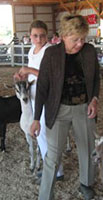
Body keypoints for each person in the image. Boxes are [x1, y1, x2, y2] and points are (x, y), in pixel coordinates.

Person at [30, 14, 100, 200]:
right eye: (75, 39)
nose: (80, 43)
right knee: (52, 155)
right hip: (58, 110)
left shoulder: (89, 52)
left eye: (83, 39)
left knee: (86, 148)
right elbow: (43, 87)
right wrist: (36, 118)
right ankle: (45, 195)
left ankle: (86, 183)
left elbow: (96, 79)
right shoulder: (52, 54)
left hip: (84, 108)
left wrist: (94, 99)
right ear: (63, 36)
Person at [14, 20, 64, 181]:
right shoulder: (32, 50)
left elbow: (50, 76)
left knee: (45, 132)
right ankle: (52, 167)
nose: (39, 38)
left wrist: (29, 70)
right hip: (34, 94)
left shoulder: (49, 50)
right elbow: (33, 73)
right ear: (30, 36)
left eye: (42, 35)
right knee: (41, 134)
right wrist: (23, 76)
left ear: (47, 35)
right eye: (35, 35)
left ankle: (56, 170)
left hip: (47, 95)